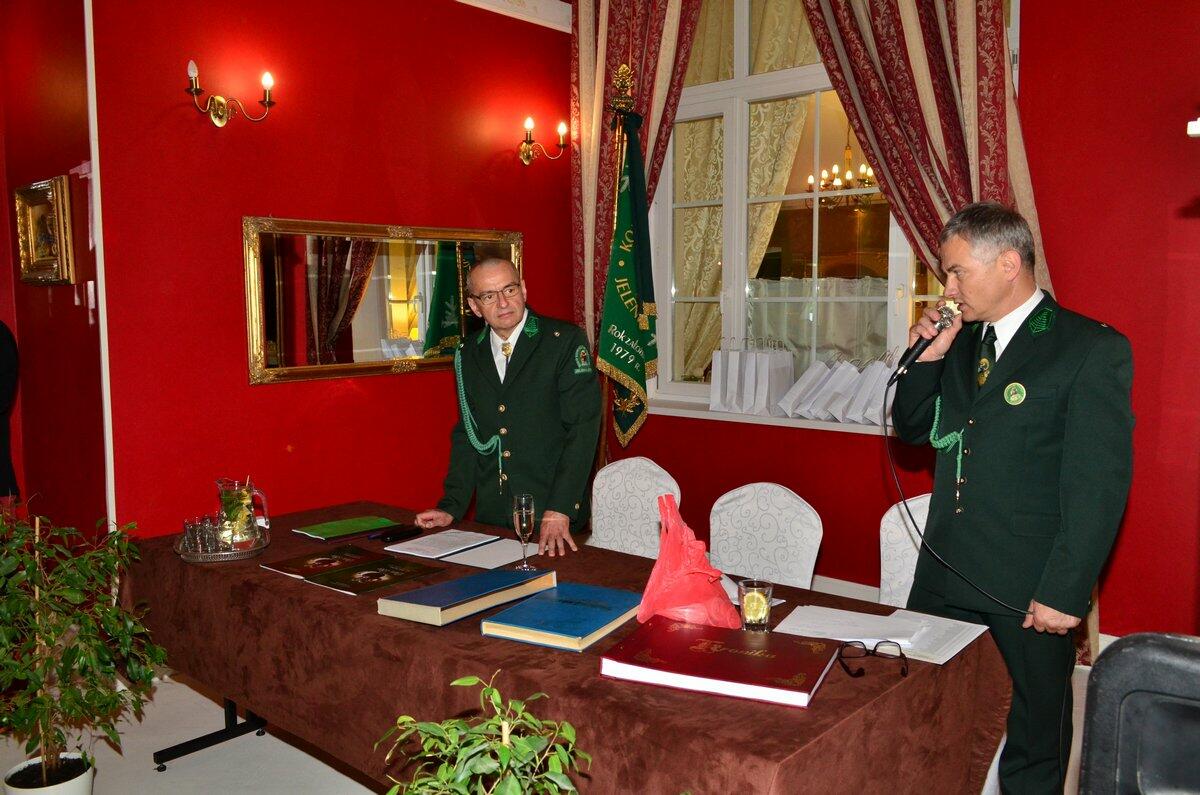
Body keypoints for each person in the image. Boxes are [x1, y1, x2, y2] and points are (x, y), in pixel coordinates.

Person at [893, 202, 1133, 794]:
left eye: (956, 272)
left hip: (1027, 578)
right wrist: (928, 357)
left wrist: (1065, 590)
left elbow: (1097, 485)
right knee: (925, 709)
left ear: (1007, 264)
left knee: (1036, 727)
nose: (947, 289)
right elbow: (912, 429)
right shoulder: (958, 341)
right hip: (946, 565)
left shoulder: (1087, 347)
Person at [416, 258, 601, 557]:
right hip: (493, 513)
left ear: (523, 290)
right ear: (475, 306)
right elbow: (468, 434)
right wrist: (451, 506)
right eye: (489, 296)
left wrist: (561, 507)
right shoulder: (468, 352)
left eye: (510, 289)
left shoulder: (562, 341)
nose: (503, 302)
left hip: (551, 514)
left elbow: (583, 429)